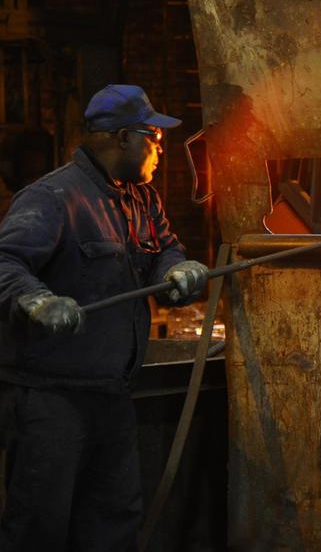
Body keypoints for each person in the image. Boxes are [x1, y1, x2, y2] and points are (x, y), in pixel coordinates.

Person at [0, 84, 209, 551]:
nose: (160, 149)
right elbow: (5, 262)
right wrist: (37, 301)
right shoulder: (53, 198)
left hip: (112, 397)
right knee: (41, 529)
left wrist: (177, 268)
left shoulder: (141, 199)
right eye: (154, 137)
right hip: (52, 402)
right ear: (121, 138)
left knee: (113, 526)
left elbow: (163, 249)